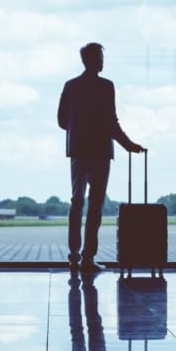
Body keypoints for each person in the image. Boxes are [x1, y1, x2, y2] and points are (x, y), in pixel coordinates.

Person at [57, 42, 145, 273]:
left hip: (77, 151)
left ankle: (74, 256)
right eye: (100, 58)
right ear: (93, 60)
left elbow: (61, 121)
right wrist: (128, 145)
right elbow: (111, 122)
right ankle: (88, 257)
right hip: (100, 153)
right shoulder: (106, 87)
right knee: (95, 206)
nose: (102, 62)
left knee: (77, 202)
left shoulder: (71, 86)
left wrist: (78, 129)